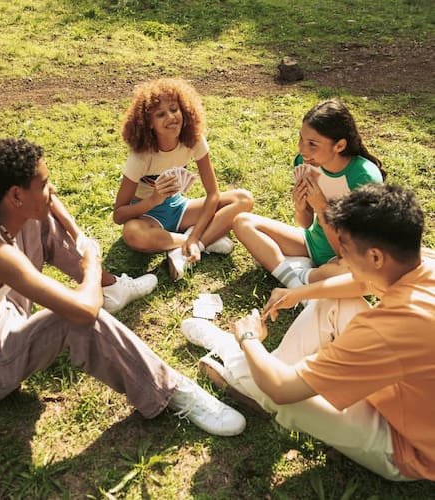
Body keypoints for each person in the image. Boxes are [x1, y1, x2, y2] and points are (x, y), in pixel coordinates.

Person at [0, 138, 246, 437]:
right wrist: (91, 263)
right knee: (78, 318)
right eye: (43, 184)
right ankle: (173, 392)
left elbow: (51, 204)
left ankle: (111, 290)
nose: (51, 189)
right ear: (16, 195)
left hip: (3, 314)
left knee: (38, 220)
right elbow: (83, 312)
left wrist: (80, 238)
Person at [181, 183, 435, 480]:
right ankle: (253, 374)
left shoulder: (387, 330)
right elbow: (364, 283)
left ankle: (234, 360)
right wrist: (300, 293)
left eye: (346, 252)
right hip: (408, 395)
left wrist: (248, 338)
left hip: (409, 449)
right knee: (331, 301)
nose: (341, 260)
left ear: (376, 257)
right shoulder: (422, 261)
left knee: (277, 392)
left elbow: (282, 388)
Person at [233, 99, 386, 290]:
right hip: (310, 243)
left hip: (346, 256)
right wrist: (300, 206)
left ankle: (295, 272)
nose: (302, 150)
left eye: (312, 144)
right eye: (301, 140)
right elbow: (305, 223)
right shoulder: (304, 163)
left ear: (339, 146)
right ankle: (296, 282)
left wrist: (322, 208)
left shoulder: (364, 176)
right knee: (242, 222)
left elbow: (346, 251)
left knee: (358, 276)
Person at [114, 77, 253, 280]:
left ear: (184, 110)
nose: (171, 117)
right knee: (132, 233)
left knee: (243, 199)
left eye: (174, 109)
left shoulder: (193, 140)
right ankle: (200, 240)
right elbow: (119, 215)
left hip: (180, 208)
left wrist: (195, 237)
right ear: (148, 123)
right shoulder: (141, 157)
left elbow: (213, 194)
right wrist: (153, 200)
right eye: (160, 114)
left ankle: (194, 244)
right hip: (147, 217)